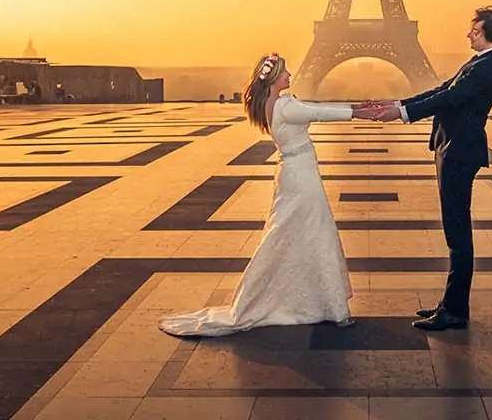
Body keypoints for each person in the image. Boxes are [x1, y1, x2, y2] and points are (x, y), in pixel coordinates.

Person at [160, 53, 379, 337]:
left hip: (291, 172)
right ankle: (330, 306)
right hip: (302, 177)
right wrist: (358, 111)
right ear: (274, 77)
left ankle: (322, 304)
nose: (290, 74)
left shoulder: (269, 104)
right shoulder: (286, 105)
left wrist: (353, 107)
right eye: (285, 71)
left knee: (295, 233)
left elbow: (316, 108)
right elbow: (319, 111)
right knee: (315, 231)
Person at [360, 5, 492, 331]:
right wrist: (399, 106)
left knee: (457, 234)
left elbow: (450, 98)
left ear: (487, 32)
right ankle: (451, 304)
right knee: (454, 231)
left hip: (459, 152)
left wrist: (401, 114)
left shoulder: (489, 66)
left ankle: (454, 310)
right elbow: (442, 91)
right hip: (452, 148)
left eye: (474, 28)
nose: (469, 33)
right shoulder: (481, 62)